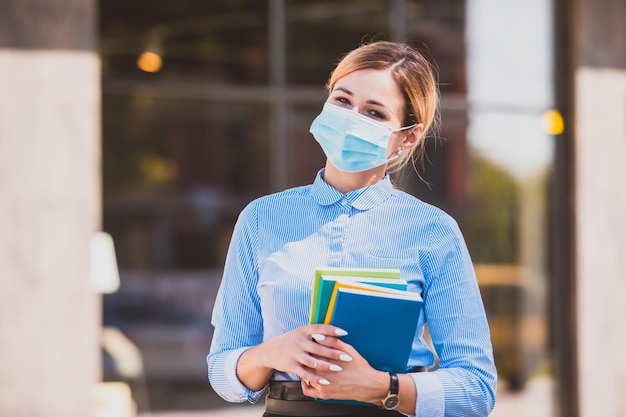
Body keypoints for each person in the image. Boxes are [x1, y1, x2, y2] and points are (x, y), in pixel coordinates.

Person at [207, 40, 497, 417]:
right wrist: (271, 352)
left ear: (408, 136)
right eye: (342, 101)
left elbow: (477, 388)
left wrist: (382, 387)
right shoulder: (261, 219)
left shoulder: (433, 231)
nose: (351, 118)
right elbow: (221, 370)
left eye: (374, 113)